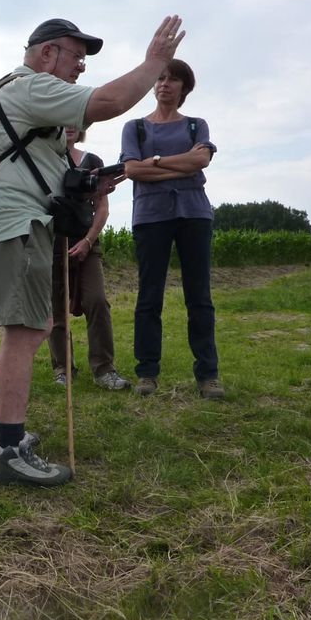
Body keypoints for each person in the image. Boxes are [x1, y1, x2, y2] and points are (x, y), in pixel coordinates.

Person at [0, 16, 185, 487]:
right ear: (47, 54)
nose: (82, 66)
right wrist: (154, 64)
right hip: (14, 225)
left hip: (6, 223)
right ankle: (8, 449)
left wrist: (85, 183)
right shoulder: (33, 87)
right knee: (28, 329)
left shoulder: (20, 93)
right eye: (76, 55)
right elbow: (109, 102)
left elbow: (34, 164)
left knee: (24, 327)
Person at [120, 59, 224, 400]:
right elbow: (132, 171)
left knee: (200, 297)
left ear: (184, 88)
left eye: (173, 79)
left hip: (194, 214)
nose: (165, 84)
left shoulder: (197, 125)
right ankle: (147, 373)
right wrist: (180, 165)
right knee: (149, 298)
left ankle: (208, 375)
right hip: (150, 216)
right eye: (160, 78)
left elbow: (201, 161)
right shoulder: (134, 127)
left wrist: (158, 163)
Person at [46, 125, 131, 391]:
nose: (69, 127)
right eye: (63, 121)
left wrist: (87, 241)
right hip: (50, 244)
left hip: (86, 243)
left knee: (97, 301)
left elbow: (102, 208)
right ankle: (62, 368)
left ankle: (104, 369)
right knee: (56, 310)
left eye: (75, 121)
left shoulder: (94, 162)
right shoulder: (45, 159)